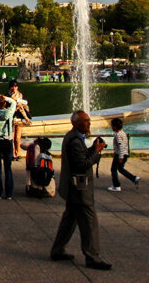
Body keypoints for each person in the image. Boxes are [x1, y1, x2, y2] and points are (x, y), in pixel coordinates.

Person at [50, 110, 112, 271]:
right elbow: (82, 165)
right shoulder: (75, 140)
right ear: (76, 124)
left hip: (73, 188)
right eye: (85, 121)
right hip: (79, 189)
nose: (89, 124)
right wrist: (97, 152)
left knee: (69, 220)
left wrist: (92, 149)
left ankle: (57, 250)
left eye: (89, 121)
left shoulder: (73, 137)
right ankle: (92, 257)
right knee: (89, 223)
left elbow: (81, 158)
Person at [0, 93, 18, 199]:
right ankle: (9, 194)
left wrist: (0, 100)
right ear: (5, 103)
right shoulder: (9, 113)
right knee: (8, 168)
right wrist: (6, 98)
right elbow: (14, 102)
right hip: (7, 141)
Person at [107, 117, 140, 192]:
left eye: (112, 126)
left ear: (115, 127)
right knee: (121, 169)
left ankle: (116, 186)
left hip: (119, 155)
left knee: (113, 169)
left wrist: (120, 157)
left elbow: (121, 146)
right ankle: (134, 178)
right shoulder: (123, 133)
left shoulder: (118, 135)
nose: (111, 127)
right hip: (125, 154)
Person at [8, 79, 32, 160]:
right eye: (12, 86)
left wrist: (18, 101)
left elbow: (25, 103)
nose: (14, 88)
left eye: (15, 86)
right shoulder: (8, 96)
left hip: (19, 119)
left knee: (18, 138)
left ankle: (17, 154)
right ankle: (13, 154)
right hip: (12, 119)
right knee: (12, 138)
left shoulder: (20, 95)